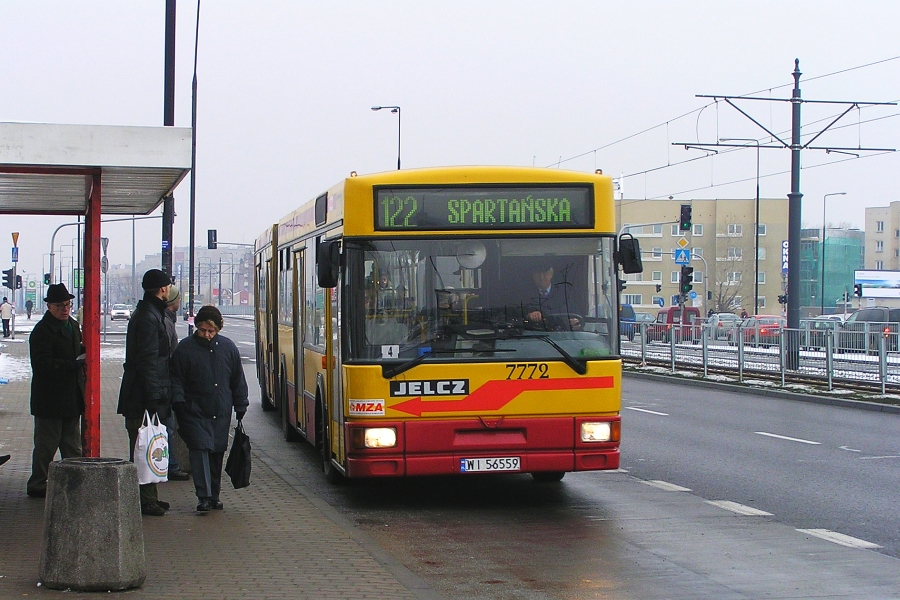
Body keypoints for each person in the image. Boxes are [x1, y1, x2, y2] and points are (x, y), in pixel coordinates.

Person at [170, 305, 248, 513]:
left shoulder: (228, 348)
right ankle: (203, 496)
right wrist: (179, 402)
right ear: (197, 327)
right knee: (199, 451)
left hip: (220, 410)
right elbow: (176, 379)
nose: (207, 334)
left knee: (216, 453)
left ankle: (214, 495)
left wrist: (241, 404)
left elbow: (237, 379)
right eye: (203, 330)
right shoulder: (185, 349)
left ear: (218, 330)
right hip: (193, 410)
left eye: (211, 331)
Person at [117, 269, 173, 517]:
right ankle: (142, 498)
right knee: (143, 446)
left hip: (146, 391)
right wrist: (153, 398)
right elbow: (148, 361)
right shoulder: (148, 318)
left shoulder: (150, 313)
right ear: (162, 289)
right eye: (168, 286)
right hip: (142, 396)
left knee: (149, 446)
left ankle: (149, 496)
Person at [26, 283, 85, 498]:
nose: (65, 309)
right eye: (60, 305)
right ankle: (38, 483)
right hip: (49, 399)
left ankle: (77, 480)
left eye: (68, 304)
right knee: (46, 446)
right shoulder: (42, 331)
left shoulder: (73, 325)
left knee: (72, 446)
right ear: (49, 306)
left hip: (71, 397)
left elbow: (77, 348)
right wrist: (71, 364)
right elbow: (41, 364)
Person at [162, 285, 190, 481]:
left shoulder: (165, 319)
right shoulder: (165, 321)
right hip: (165, 383)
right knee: (168, 427)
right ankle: (170, 466)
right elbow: (169, 352)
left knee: (168, 426)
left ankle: (169, 465)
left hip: (164, 381)